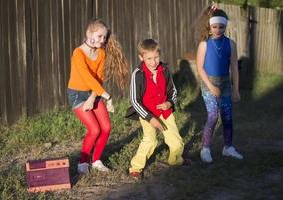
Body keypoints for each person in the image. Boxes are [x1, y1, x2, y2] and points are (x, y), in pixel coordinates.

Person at [67, 18, 128, 174]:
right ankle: (82, 163)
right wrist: (107, 96)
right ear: (89, 33)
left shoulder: (101, 53)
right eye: (100, 36)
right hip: (77, 94)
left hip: (93, 92)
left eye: (104, 37)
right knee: (94, 129)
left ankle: (96, 161)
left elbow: (98, 79)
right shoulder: (78, 53)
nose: (103, 40)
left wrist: (93, 97)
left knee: (106, 127)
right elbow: (87, 77)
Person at [126, 39, 192, 179]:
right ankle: (136, 167)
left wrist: (169, 103)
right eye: (149, 58)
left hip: (165, 112)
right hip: (147, 113)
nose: (153, 62)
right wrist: (150, 119)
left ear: (159, 55)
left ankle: (175, 160)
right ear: (141, 57)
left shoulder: (165, 70)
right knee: (150, 140)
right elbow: (134, 101)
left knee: (175, 138)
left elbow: (173, 91)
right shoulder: (138, 74)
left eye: (156, 57)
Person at [196, 6, 243, 163]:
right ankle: (205, 149)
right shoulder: (204, 44)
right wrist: (210, 86)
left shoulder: (231, 44)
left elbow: (234, 67)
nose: (218, 30)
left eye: (221, 27)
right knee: (213, 115)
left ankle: (228, 147)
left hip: (225, 83)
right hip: (209, 83)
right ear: (209, 25)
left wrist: (236, 89)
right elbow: (200, 68)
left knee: (227, 116)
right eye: (214, 26)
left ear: (225, 26)